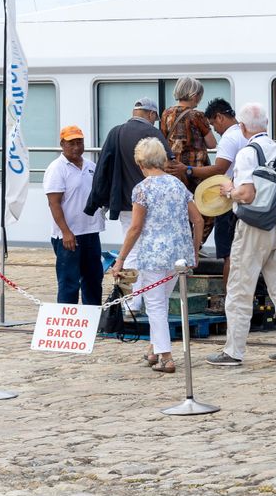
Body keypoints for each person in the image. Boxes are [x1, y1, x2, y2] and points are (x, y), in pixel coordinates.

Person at [207, 103, 276, 367]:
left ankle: (234, 351)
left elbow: (247, 194)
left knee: (240, 288)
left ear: (242, 126)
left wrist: (229, 190)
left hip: (253, 226)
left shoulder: (247, 153)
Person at [112, 137, 198, 374]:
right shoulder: (178, 185)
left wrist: (120, 259)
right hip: (178, 255)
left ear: (140, 162)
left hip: (153, 255)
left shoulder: (142, 189)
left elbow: (135, 228)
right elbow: (198, 219)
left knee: (155, 306)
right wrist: (194, 250)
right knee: (161, 300)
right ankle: (154, 349)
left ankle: (166, 357)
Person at [42, 124, 105, 306]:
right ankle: (68, 323)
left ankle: (92, 322)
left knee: (93, 280)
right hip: (69, 236)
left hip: (91, 232)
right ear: (62, 144)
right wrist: (66, 232)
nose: (76, 147)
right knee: (69, 282)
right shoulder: (57, 168)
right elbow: (54, 203)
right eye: (71, 143)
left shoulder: (91, 166)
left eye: (80, 142)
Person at [85, 97, 174, 221]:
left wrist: (95, 202)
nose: (154, 121)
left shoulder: (115, 132)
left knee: (130, 237)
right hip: (152, 203)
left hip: (125, 204)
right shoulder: (153, 132)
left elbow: (101, 169)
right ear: (151, 114)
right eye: (155, 118)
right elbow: (169, 165)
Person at [191, 99, 245, 277]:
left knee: (228, 254)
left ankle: (229, 300)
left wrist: (190, 170)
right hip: (247, 197)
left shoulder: (229, 138)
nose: (216, 130)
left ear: (220, 117)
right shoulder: (247, 134)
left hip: (228, 201)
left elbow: (219, 168)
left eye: (214, 125)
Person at [160, 77, 212, 251]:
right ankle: (195, 245)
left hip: (172, 170)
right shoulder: (197, 116)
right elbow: (212, 143)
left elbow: (162, 140)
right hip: (194, 171)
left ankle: (182, 245)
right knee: (206, 210)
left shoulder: (166, 113)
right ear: (194, 95)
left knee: (180, 210)